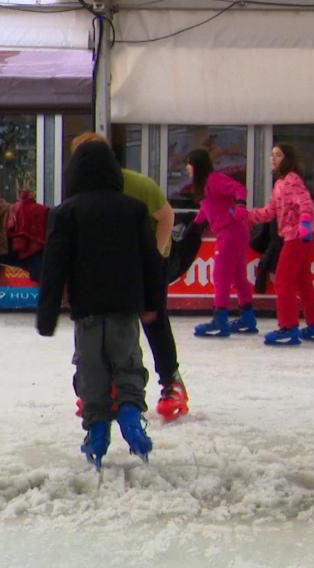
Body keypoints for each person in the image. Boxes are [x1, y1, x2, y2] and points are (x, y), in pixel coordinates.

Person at [37, 141, 162, 470]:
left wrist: (47, 316)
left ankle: (96, 433)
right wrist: (153, 304)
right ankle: (132, 420)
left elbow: (54, 267)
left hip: (88, 309)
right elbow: (151, 261)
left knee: (91, 369)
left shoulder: (65, 213)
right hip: (124, 307)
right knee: (127, 364)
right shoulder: (134, 209)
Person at [69, 132, 189, 422]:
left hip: (145, 259)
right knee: (106, 324)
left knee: (153, 318)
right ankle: (105, 386)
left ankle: (171, 381)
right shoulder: (80, 189)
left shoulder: (137, 184)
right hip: (110, 264)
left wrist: (155, 259)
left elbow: (166, 216)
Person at [247, 144, 314, 346]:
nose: (273, 158)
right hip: (293, 236)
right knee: (302, 281)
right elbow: (269, 212)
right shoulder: (280, 183)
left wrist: (305, 224)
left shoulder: (291, 180)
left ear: (287, 158)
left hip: (297, 237)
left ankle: (288, 327)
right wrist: (245, 216)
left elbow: (306, 204)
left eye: (278, 155)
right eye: (272, 155)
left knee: (283, 280)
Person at [185, 149, 257, 338]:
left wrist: (240, 204)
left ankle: (220, 319)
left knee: (220, 275)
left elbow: (239, 189)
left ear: (197, 165)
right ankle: (248, 316)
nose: (187, 167)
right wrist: (194, 226)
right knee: (238, 276)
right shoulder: (205, 184)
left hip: (230, 231)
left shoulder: (213, 179)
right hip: (236, 231)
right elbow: (207, 208)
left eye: (189, 163)